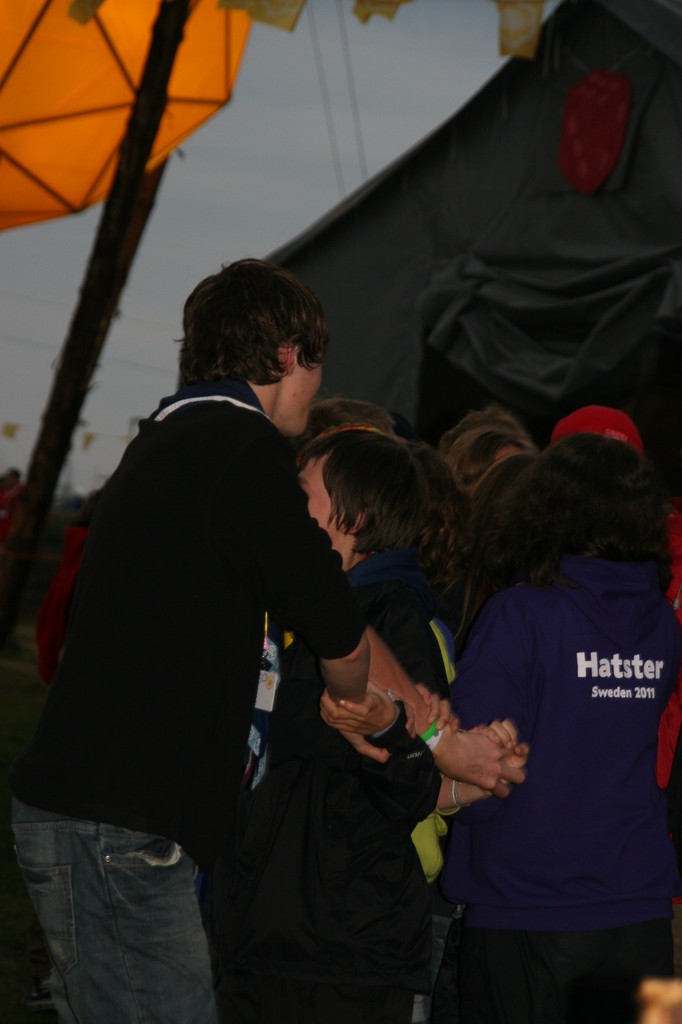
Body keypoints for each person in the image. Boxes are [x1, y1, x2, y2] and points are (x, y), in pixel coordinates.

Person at [9, 259, 378, 1024]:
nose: (316, 389)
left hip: (82, 807)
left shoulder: (166, 437)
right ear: (288, 357)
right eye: (317, 367)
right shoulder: (243, 448)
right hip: (123, 822)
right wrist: (356, 707)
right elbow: (336, 622)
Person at [212, 430, 525, 1024]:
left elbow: (410, 785)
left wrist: (389, 731)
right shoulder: (287, 605)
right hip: (259, 929)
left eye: (303, 491)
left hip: (342, 947)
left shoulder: (392, 616)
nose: (287, 504)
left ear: (352, 517)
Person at [441, 433, 682, 1024]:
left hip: (529, 912)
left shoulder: (520, 613)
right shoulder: (661, 624)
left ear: (545, 508)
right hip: (643, 915)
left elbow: (480, 768)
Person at [0, 466, 23, 544]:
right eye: (6, 479)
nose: (6, 481)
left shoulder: (20, 494)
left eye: (9, 479)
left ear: (15, 480)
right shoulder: (2, 492)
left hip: (9, 527)